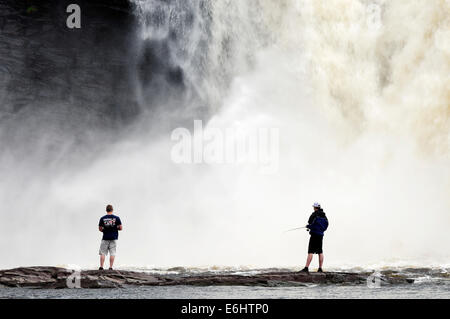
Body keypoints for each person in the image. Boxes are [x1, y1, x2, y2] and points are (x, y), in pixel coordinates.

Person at [300, 202, 328, 273]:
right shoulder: (324, 216)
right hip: (320, 235)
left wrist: (308, 226)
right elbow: (327, 224)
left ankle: (306, 268)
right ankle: (320, 268)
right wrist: (321, 230)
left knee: (311, 251)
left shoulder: (314, 214)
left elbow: (310, 223)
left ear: (315, 208)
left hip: (314, 234)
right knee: (320, 251)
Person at [98, 204, 123, 270]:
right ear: (112, 210)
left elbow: (100, 228)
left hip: (105, 237)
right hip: (114, 237)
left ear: (106, 210)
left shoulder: (102, 218)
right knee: (112, 253)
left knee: (102, 253)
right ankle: (110, 267)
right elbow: (120, 228)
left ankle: (101, 267)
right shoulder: (117, 218)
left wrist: (105, 230)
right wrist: (115, 228)